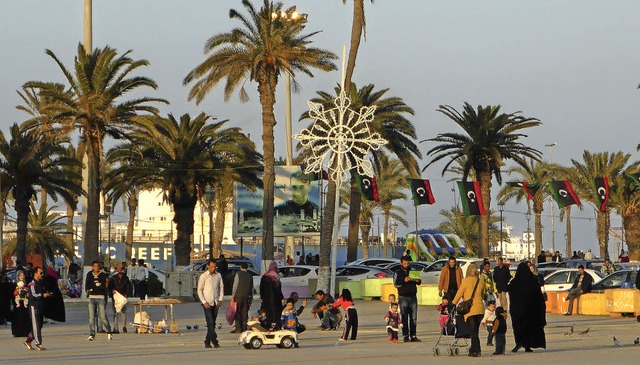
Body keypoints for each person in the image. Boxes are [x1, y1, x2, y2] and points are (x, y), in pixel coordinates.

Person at [508, 262, 546, 353]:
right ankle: (527, 346)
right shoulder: (532, 281)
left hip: (518, 310)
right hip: (530, 310)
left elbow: (510, 292)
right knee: (529, 328)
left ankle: (519, 342)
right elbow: (538, 296)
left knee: (518, 327)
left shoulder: (515, 282)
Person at [394, 255, 421, 342]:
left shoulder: (412, 271)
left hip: (413, 297)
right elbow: (395, 284)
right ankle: (405, 336)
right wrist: (403, 281)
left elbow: (419, 281)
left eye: (408, 263)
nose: (406, 264)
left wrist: (418, 281)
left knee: (413, 318)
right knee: (404, 317)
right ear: (401, 263)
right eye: (405, 263)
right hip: (403, 298)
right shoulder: (397, 272)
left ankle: (413, 336)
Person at [197, 259, 224, 349]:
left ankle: (207, 341)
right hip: (207, 303)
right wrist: (204, 302)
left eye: (214, 267)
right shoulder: (203, 276)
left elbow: (221, 287)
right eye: (211, 267)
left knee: (213, 323)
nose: (213, 268)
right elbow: (199, 290)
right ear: (208, 266)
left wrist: (220, 299)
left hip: (216, 302)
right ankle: (215, 341)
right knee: (210, 322)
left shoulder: (218, 275)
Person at [23, 267, 50, 351]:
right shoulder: (32, 284)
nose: (42, 274)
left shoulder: (41, 283)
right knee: (36, 326)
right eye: (40, 273)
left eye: (42, 273)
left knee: (39, 326)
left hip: (41, 307)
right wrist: (42, 295)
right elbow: (33, 295)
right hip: (34, 307)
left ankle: (28, 340)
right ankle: (38, 343)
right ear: (35, 273)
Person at [85, 261, 112, 341]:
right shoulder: (89, 274)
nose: (96, 268)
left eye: (97, 266)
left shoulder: (102, 275)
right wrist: (95, 286)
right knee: (91, 317)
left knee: (103, 316)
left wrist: (95, 287)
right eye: (94, 266)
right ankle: (92, 333)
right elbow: (87, 285)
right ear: (92, 267)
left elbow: (103, 286)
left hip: (101, 297)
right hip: (91, 297)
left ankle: (109, 331)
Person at [259, 262, 284, 330]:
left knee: (268, 314)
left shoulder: (264, 276)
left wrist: (262, 298)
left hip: (266, 299)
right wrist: (281, 298)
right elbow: (278, 290)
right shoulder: (276, 277)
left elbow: (261, 288)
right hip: (275, 300)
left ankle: (268, 326)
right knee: (276, 314)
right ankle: (276, 327)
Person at [231, 262, 253, 333]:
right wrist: (251, 298)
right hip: (247, 297)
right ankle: (244, 328)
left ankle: (238, 328)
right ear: (247, 268)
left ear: (241, 267)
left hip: (238, 296)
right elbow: (251, 287)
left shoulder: (238, 274)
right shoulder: (250, 275)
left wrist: (233, 296)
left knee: (237, 312)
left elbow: (235, 285)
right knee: (244, 313)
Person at [108, 267, 132, 333]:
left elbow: (128, 287)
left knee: (123, 312)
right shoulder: (113, 278)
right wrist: (112, 291)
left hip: (123, 297)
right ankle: (116, 328)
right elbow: (110, 286)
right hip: (116, 297)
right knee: (115, 313)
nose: (120, 274)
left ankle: (124, 327)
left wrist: (126, 294)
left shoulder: (126, 278)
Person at [11, 270, 31, 337]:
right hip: (17, 304)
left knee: (26, 317)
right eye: (21, 275)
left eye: (23, 275)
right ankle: (17, 332)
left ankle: (26, 332)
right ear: (18, 276)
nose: (23, 277)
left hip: (25, 304)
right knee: (18, 318)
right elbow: (13, 295)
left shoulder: (26, 284)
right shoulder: (15, 285)